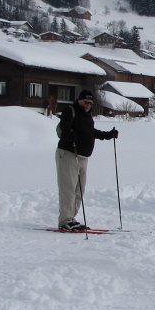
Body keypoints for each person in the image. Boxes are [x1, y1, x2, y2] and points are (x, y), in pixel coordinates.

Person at [55, 89, 118, 230]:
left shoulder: (88, 116)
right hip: (68, 154)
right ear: (79, 100)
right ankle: (65, 220)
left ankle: (71, 218)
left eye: (90, 102)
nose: (88, 104)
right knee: (68, 188)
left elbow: (91, 133)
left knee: (79, 190)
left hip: (83, 157)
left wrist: (108, 135)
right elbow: (65, 128)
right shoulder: (70, 111)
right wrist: (69, 135)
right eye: (85, 101)